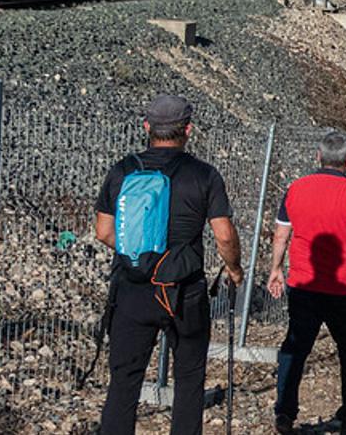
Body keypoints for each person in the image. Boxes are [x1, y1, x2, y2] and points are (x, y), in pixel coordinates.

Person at [96, 94, 244, 435]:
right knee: (190, 381)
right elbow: (223, 235)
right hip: (183, 291)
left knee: (124, 384)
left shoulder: (122, 170)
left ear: (147, 127)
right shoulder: (204, 175)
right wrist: (234, 270)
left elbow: (103, 231)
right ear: (188, 130)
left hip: (132, 288)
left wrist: (139, 250)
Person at [266, 131, 346, 435]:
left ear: (317, 157)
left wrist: (276, 268)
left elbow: (281, 233)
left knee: (295, 348)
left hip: (304, 284)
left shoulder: (295, 188)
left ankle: (284, 412)